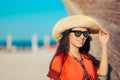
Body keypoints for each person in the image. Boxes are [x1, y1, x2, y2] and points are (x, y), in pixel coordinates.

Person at [47, 15, 109, 80]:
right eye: (77, 33)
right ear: (68, 34)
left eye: (85, 34)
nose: (82, 37)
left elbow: (102, 73)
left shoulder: (87, 58)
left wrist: (104, 44)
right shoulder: (60, 59)